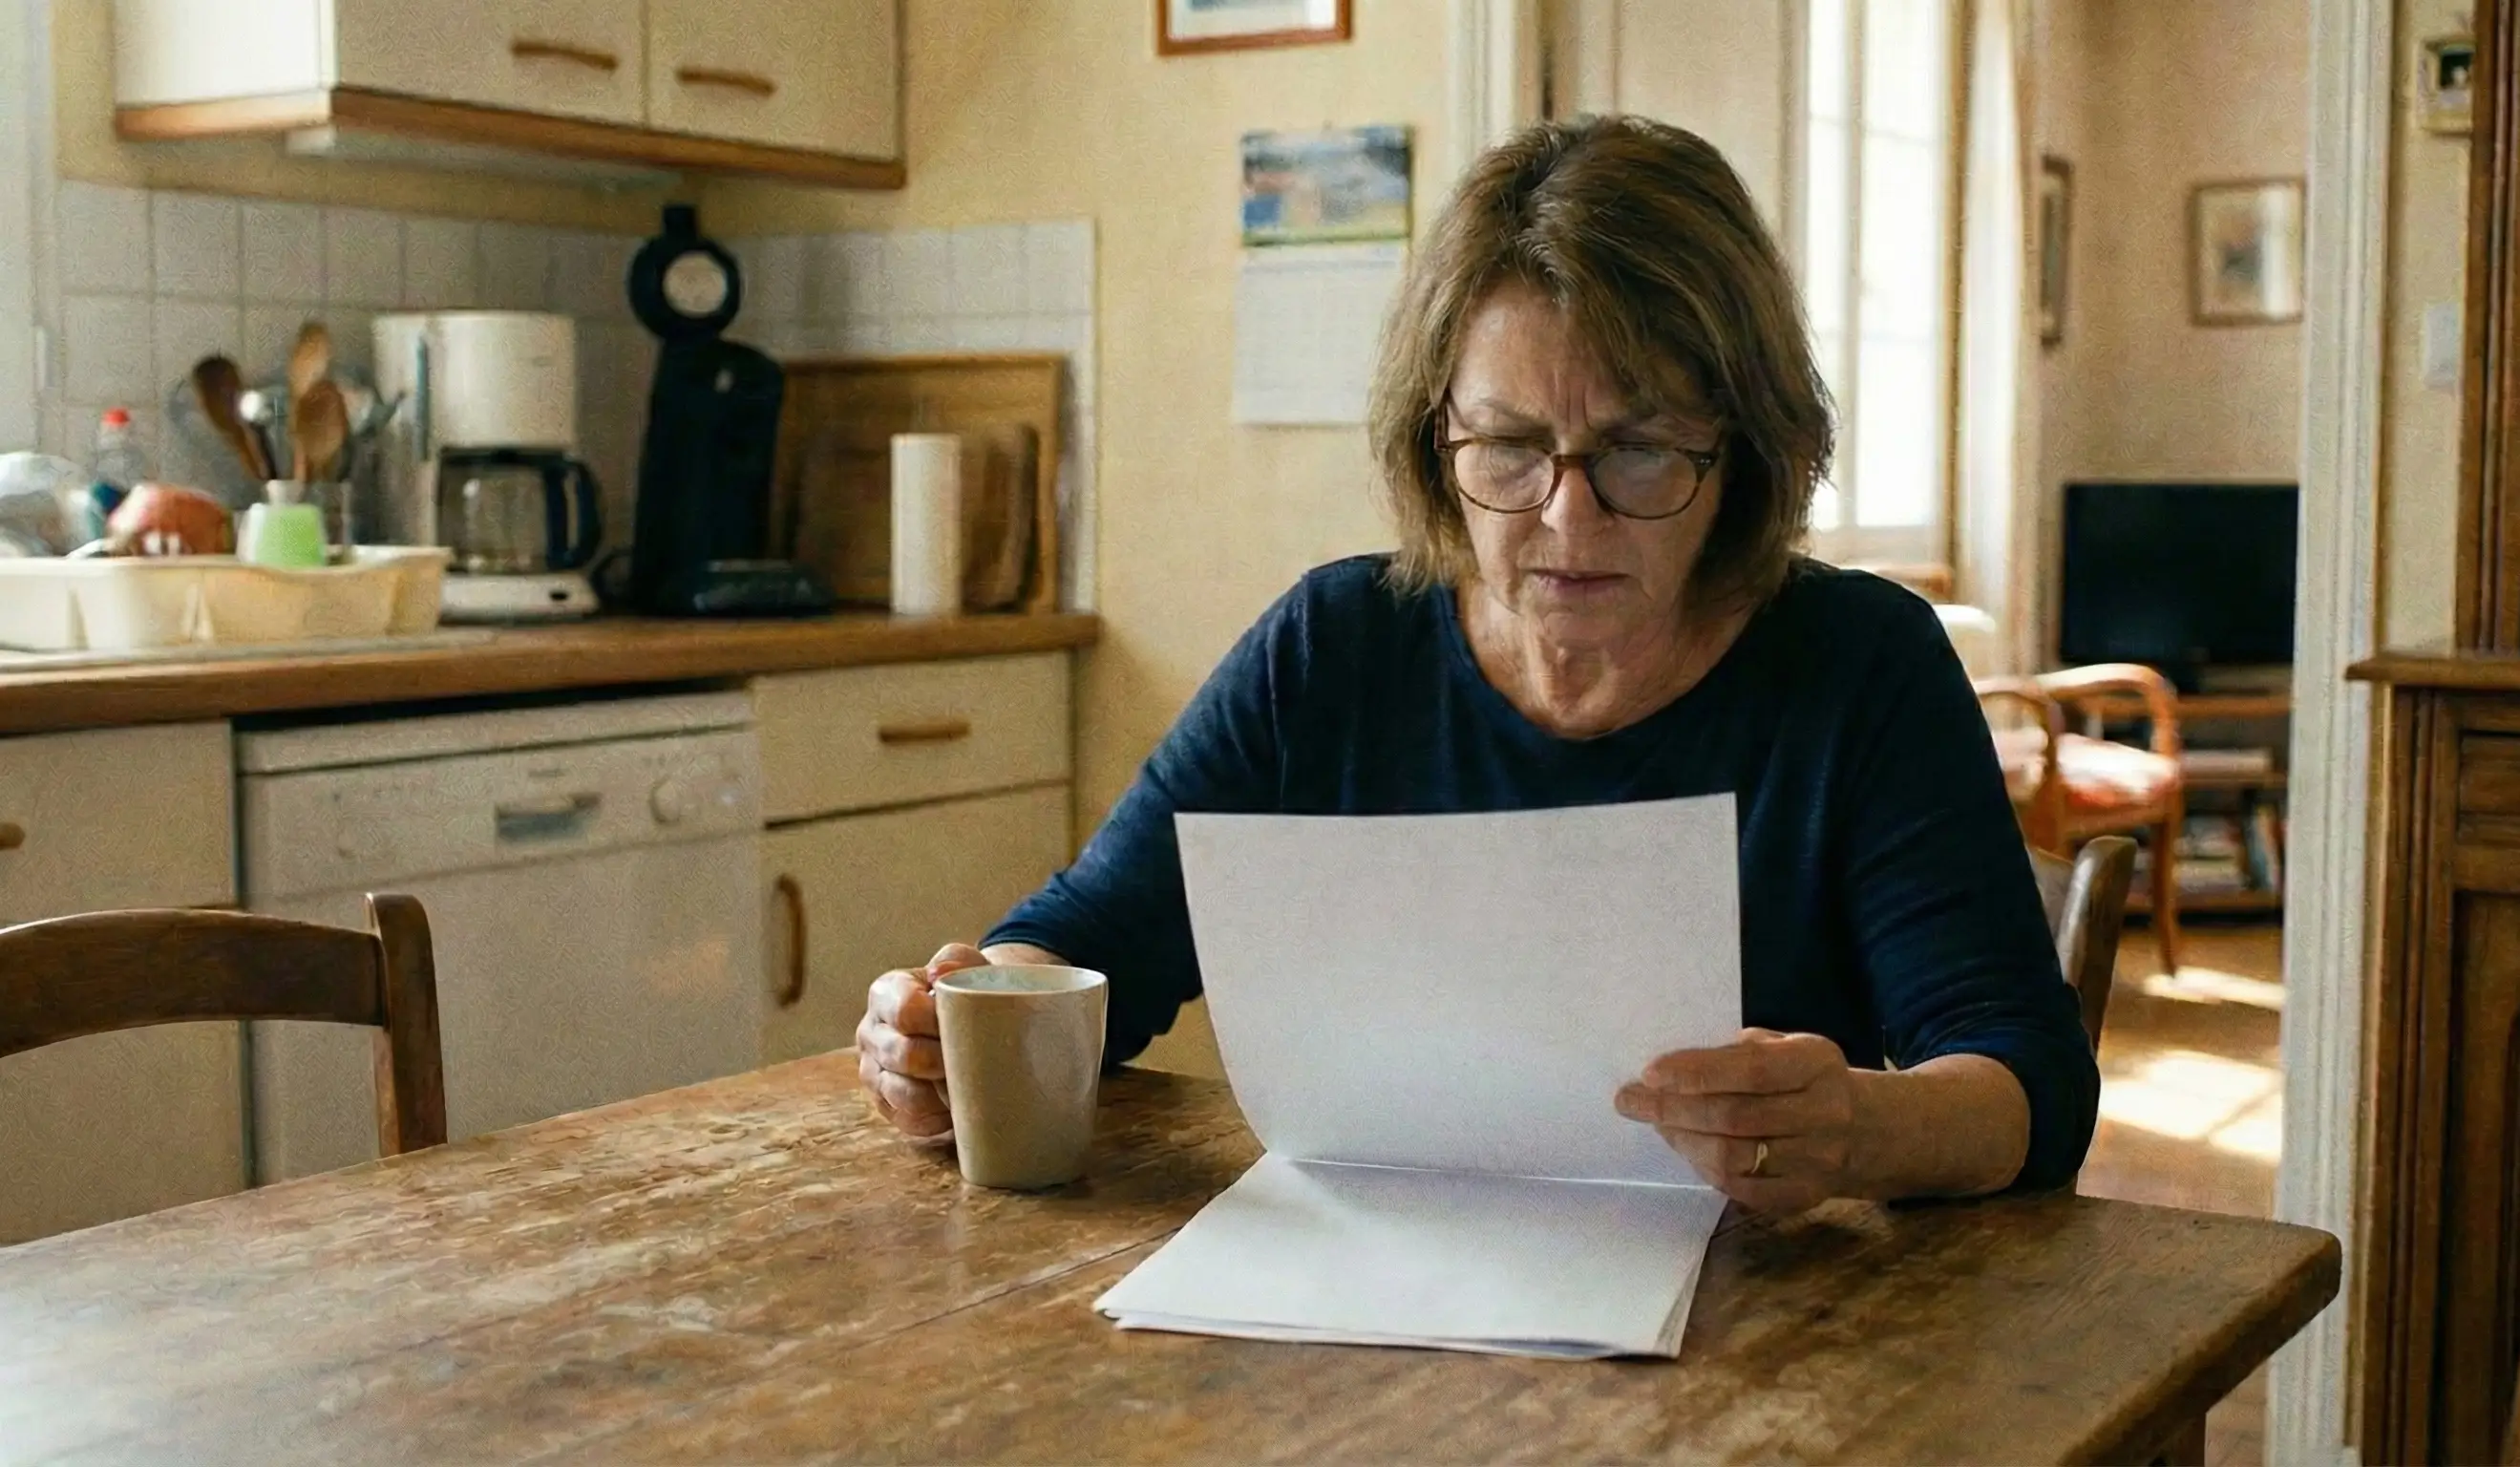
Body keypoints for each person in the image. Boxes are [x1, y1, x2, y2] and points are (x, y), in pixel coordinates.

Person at [857, 115, 2099, 1213]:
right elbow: (1092, 943)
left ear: (1745, 449)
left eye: (1640, 451)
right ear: (1432, 432)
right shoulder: (1333, 647)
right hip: (1357, 1311)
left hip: (1756, 1328)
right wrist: (949, 1025)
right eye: (1507, 448)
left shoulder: (1855, 667)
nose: (1567, 518)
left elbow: (2025, 1086)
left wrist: (1858, 1129)